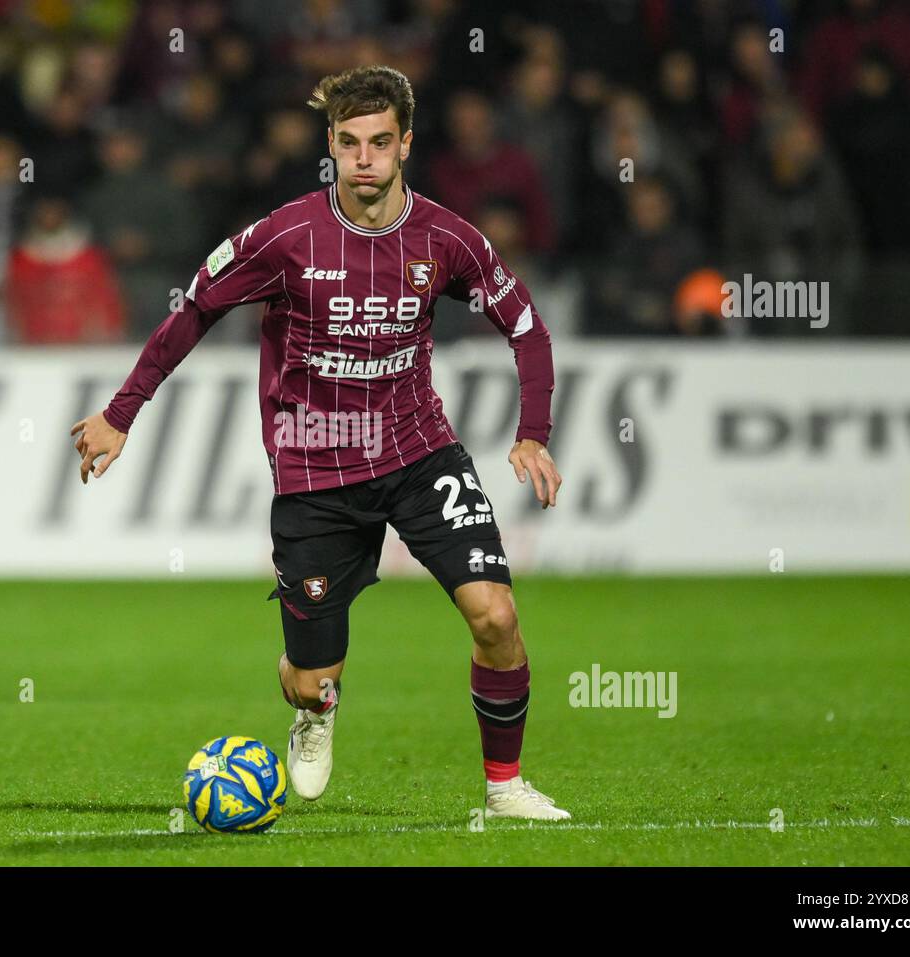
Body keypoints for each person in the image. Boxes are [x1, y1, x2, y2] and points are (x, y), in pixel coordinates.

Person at [70, 66, 569, 821]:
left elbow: (525, 323)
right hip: (314, 466)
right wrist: (120, 412)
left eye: (378, 142)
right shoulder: (285, 236)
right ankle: (314, 709)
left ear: (405, 144)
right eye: (347, 143)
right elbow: (193, 311)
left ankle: (504, 787)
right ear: (330, 145)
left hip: (418, 451)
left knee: (496, 616)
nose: (363, 158)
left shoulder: (446, 238)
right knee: (311, 675)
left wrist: (534, 431)